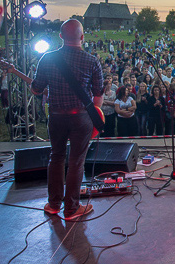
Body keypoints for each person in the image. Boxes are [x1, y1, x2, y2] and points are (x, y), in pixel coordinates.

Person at [30, 19, 103, 220]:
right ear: (82, 37)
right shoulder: (91, 61)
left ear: (61, 37)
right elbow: (98, 96)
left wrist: (36, 87)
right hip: (81, 117)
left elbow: (36, 89)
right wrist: (94, 115)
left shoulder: (47, 58)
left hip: (56, 116)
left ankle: (53, 204)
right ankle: (71, 208)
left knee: (56, 156)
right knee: (76, 161)